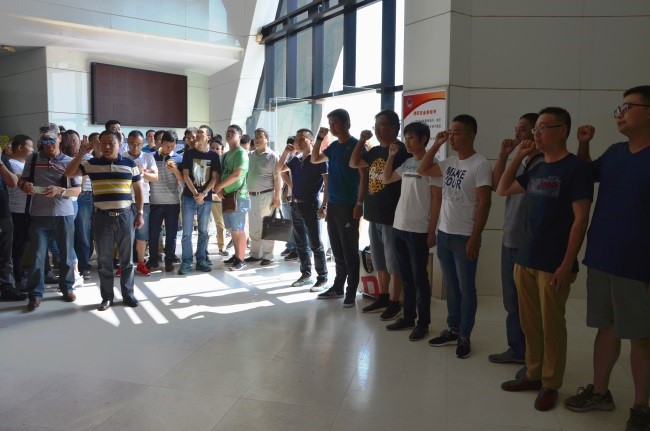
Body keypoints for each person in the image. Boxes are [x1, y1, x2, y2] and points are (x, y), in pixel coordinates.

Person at [563, 86, 650, 431]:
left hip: (638, 263)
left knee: (641, 337)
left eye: (628, 107)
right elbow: (587, 172)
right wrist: (584, 144)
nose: (619, 113)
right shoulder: (615, 152)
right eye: (619, 107)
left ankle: (641, 407)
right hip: (601, 256)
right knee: (606, 328)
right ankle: (600, 393)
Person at [497, 107, 593, 411]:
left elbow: (580, 220)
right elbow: (503, 188)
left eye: (543, 127)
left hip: (554, 263)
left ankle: (551, 383)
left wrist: (566, 264)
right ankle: (533, 373)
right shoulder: (536, 169)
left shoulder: (576, 168)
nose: (536, 133)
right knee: (529, 323)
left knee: (552, 326)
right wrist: (517, 156)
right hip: (525, 258)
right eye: (535, 128)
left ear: (562, 130)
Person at [418, 114, 492, 359]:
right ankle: (453, 328)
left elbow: (485, 203)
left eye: (457, 132)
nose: (452, 137)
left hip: (464, 236)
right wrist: (436, 144)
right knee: (451, 286)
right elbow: (423, 168)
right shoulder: (449, 162)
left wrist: (475, 237)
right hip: (445, 233)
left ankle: (465, 335)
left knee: (466, 287)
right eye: (450, 132)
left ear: (471, 135)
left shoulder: (480, 164)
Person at [64, 130, 144, 311]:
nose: (107, 147)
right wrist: (82, 152)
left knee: (127, 260)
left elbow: (138, 190)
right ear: (98, 145)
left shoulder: (130, 164)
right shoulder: (92, 164)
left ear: (119, 144)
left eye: (111, 143)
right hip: (102, 218)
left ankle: (128, 294)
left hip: (125, 216)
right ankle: (107, 297)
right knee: (104, 261)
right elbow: (69, 173)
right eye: (103, 143)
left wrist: (139, 213)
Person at [489, 113, 543, 365]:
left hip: (528, 244)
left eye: (522, 129)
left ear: (535, 132)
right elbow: (497, 185)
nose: (516, 134)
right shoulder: (521, 162)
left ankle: (533, 356)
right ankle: (518, 350)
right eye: (516, 129)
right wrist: (504, 155)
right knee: (511, 301)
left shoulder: (542, 164)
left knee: (529, 305)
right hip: (510, 238)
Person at [381, 121, 441, 340]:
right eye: (405, 138)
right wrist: (390, 156)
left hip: (418, 229)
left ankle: (422, 323)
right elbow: (386, 179)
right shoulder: (407, 162)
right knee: (406, 276)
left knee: (419, 278)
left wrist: (432, 230)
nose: (407, 142)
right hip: (399, 226)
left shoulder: (433, 164)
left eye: (411, 138)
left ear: (424, 139)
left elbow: (437, 200)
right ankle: (408, 317)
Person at [349, 109, 407, 320]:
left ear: (395, 127)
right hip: (373, 214)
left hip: (392, 216)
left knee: (393, 263)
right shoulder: (374, 151)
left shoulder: (400, 150)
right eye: (376, 125)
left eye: (382, 124)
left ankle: (395, 302)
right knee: (379, 260)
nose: (377, 129)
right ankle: (383, 296)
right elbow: (354, 163)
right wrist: (361, 141)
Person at [18, 125, 81, 311]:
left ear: (60, 138)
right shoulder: (33, 159)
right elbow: (21, 181)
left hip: (64, 214)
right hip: (38, 215)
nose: (48, 144)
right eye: (44, 141)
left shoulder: (70, 161)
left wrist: (60, 190)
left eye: (52, 140)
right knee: (37, 256)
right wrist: (24, 186)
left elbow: (77, 190)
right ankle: (35, 295)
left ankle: (67, 287)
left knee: (66, 254)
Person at [310, 108, 367, 307]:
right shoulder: (334, 146)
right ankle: (338, 287)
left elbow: (364, 177)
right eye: (330, 123)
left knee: (349, 250)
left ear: (346, 124)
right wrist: (319, 138)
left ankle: (351, 291)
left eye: (335, 123)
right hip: (334, 205)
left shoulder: (356, 146)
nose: (332, 127)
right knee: (337, 249)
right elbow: (314, 158)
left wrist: (360, 203)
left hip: (349, 204)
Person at [276, 128, 328, 290]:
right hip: (295, 203)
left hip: (311, 204)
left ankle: (322, 277)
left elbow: (328, 184)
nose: (298, 142)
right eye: (296, 139)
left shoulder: (319, 160)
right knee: (300, 242)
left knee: (315, 242)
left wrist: (324, 205)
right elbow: (279, 169)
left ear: (311, 140)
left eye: (302, 139)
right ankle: (306, 274)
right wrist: (286, 152)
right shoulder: (296, 159)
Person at [178, 125, 220, 275]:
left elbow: (214, 178)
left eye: (201, 132)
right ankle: (186, 261)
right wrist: (196, 193)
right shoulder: (189, 153)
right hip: (189, 197)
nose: (197, 135)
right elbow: (185, 175)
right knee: (187, 232)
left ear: (208, 137)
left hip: (206, 199)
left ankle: (201, 259)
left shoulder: (214, 156)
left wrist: (204, 193)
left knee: (203, 231)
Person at [121, 130, 158, 276]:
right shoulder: (122, 157)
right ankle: (125, 264)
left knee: (141, 234)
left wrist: (142, 173)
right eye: (132, 143)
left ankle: (141, 263)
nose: (135, 147)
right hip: (124, 201)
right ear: (128, 143)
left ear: (143, 144)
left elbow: (155, 177)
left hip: (143, 201)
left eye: (138, 144)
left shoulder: (148, 157)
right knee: (125, 234)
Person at [215, 125, 250, 271]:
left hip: (239, 197)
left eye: (232, 132)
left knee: (239, 229)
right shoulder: (225, 155)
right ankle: (236, 255)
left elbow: (236, 174)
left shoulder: (241, 153)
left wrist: (219, 187)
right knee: (232, 229)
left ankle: (241, 259)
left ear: (239, 136)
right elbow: (219, 174)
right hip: (227, 197)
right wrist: (219, 189)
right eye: (227, 132)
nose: (228, 134)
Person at [148, 130, 183, 272]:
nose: (170, 148)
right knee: (153, 233)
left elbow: (183, 182)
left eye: (173, 146)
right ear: (161, 143)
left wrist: (176, 171)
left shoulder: (179, 158)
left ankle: (169, 259)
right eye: (167, 145)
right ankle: (153, 259)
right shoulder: (151, 157)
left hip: (172, 202)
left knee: (171, 234)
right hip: (155, 201)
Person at [245, 128, 280, 266]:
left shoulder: (272, 156)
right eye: (255, 137)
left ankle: (268, 256)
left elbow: (277, 178)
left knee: (267, 227)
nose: (257, 139)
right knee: (254, 227)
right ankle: (255, 254)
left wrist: (277, 197)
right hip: (251, 196)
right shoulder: (249, 155)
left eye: (260, 137)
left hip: (267, 195)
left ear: (267, 139)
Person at [7, 134, 34, 288]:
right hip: (17, 211)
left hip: (26, 210)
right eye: (30, 146)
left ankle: (20, 276)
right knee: (17, 247)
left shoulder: (24, 165)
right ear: (20, 148)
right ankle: (18, 278)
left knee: (22, 246)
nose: (32, 150)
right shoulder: (12, 164)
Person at [0, 146, 24, 301]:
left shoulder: (3, 159)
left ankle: (7, 287)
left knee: (5, 253)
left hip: (3, 210)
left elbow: (13, 182)